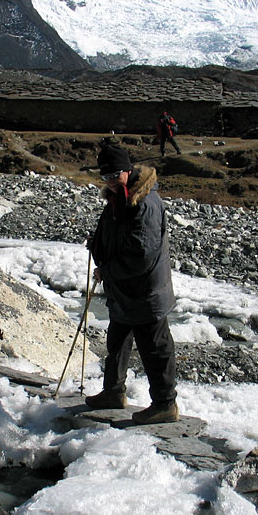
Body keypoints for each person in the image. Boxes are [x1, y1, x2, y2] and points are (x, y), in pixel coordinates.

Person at [85, 143, 179, 425]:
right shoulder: (116, 199)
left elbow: (141, 255)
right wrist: (97, 248)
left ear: (128, 169)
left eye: (115, 174)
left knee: (155, 349)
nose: (111, 181)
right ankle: (113, 393)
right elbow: (108, 233)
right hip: (124, 290)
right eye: (105, 177)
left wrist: (109, 271)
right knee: (117, 342)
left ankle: (165, 405)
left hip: (146, 291)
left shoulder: (146, 203)